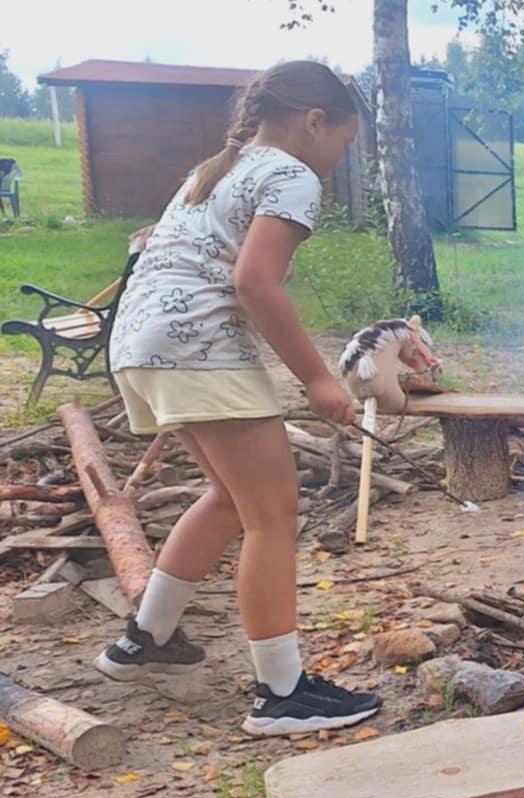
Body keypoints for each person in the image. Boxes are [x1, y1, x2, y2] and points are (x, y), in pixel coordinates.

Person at [94, 60, 383, 736]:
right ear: (315, 121)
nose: (341, 158)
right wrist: (318, 379)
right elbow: (255, 282)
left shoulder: (217, 168)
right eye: (344, 141)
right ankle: (281, 695)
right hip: (199, 346)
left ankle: (146, 639)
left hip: (141, 344)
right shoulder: (292, 174)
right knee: (273, 514)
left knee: (231, 499)